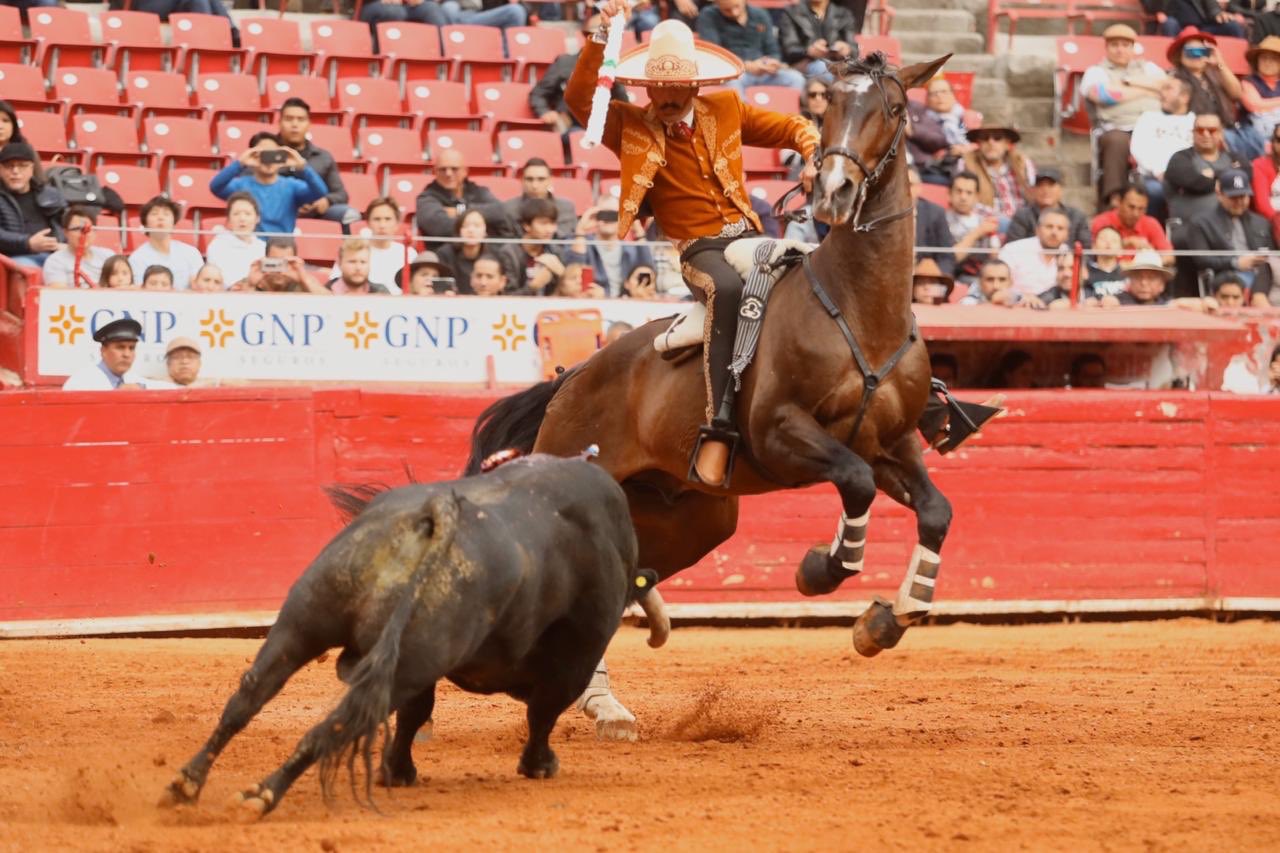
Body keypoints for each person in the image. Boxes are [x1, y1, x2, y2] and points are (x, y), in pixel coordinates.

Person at [567, 12, 821, 483]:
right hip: (698, 250)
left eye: (673, 87)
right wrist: (601, 38)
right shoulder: (628, 125)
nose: (661, 96)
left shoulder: (727, 109)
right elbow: (580, 98)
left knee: (813, 277)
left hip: (748, 236)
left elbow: (794, 127)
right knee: (725, 290)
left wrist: (814, 156)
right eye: (654, 87)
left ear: (694, 85)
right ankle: (720, 424)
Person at [1082, 24, 1166, 206]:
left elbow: (1168, 88)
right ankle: (1115, 198)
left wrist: (1128, 83)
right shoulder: (1096, 71)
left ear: (1133, 48)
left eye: (1125, 45)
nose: (1120, 50)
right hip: (1119, 127)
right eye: (1115, 45)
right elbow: (1103, 95)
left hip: (1155, 127)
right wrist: (1147, 90)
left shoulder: (1148, 67)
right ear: (1106, 48)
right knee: (1116, 140)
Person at [1166, 28, 1262, 160]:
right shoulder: (1175, 78)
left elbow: (1236, 93)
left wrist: (1220, 64)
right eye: (1190, 52)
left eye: (1201, 51)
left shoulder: (1215, 74)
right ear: (1180, 56)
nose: (1196, 55)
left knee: (1256, 136)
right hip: (1200, 132)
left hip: (1228, 128)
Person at [210, 131, 327, 236]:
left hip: (281, 249)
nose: (269, 161)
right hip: (249, 247)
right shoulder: (241, 186)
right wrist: (240, 164)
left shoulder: (292, 186)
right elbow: (215, 187)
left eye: (274, 154)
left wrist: (303, 167)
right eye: (264, 154)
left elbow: (320, 192)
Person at [529, 16, 629, 136]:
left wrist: (613, 76)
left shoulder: (611, 67)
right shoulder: (565, 62)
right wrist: (544, 112)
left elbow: (623, 106)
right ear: (587, 37)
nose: (603, 42)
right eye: (599, 38)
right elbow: (538, 93)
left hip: (602, 128)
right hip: (571, 126)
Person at [1184, 169, 1277, 297]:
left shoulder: (1261, 222)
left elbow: (1273, 254)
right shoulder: (1201, 223)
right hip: (1227, 277)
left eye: (1243, 196)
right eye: (1233, 197)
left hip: (1264, 276)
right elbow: (1202, 260)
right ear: (1219, 195)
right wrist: (1235, 263)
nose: (1239, 202)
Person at [277, 97, 359, 229]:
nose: (294, 124)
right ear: (279, 122)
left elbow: (341, 194)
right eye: (289, 119)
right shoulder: (267, 152)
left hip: (315, 212)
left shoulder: (323, 157)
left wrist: (326, 201)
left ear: (309, 124)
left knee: (350, 214)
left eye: (301, 119)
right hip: (276, 210)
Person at [697, 0, 807, 94]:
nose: (734, 13)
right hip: (734, 73)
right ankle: (743, 118)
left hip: (764, 69)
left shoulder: (760, 14)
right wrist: (745, 65)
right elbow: (714, 55)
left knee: (796, 79)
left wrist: (772, 62)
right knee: (732, 84)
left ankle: (791, 117)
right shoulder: (708, 16)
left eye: (736, 6)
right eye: (727, 10)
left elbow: (772, 48)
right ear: (717, 3)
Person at [1164, 112, 1245, 231]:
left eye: (1212, 130)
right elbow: (1193, 182)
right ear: (1193, 133)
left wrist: (1214, 175)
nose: (1206, 134)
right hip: (1190, 228)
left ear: (1221, 133)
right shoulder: (1180, 158)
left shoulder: (1235, 157)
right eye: (1200, 130)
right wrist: (1228, 177)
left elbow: (1246, 174)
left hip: (1232, 228)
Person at [1129, 76, 1196, 219]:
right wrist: (1159, 170)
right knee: (1154, 191)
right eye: (1162, 88)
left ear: (1184, 97)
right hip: (1155, 177)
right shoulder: (1149, 118)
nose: (1162, 93)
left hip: (1190, 177)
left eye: (1169, 88)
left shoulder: (1196, 121)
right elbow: (1138, 149)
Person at [498, 197, 587, 295]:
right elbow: (506, 296)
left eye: (552, 223)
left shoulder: (555, 251)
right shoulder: (509, 253)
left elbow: (565, 294)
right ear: (526, 225)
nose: (550, 230)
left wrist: (562, 275)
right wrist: (533, 287)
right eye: (543, 223)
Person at [415, 148, 507, 241]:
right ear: (435, 172)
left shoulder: (478, 191)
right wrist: (478, 225)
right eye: (443, 169)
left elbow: (500, 212)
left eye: (454, 169)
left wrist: (459, 210)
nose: (448, 173)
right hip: (445, 252)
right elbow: (439, 227)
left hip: (482, 251)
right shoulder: (426, 198)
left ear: (465, 171)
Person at [0, 141, 65, 270]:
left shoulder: (50, 194)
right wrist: (28, 243)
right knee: (29, 269)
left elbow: (67, 223)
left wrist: (65, 244)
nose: (15, 171)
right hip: (11, 260)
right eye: (9, 166)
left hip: (55, 255)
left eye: (22, 166)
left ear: (31, 169)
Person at [956, 121, 1035, 220]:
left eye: (997, 138)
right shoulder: (967, 163)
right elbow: (963, 200)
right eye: (985, 138)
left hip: (1023, 224)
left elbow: (1034, 196)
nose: (991, 142)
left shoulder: (1022, 163)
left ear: (1007, 143)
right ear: (979, 143)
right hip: (985, 225)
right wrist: (998, 220)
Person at [576, 199, 654, 297]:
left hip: (625, 303)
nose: (607, 220)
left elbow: (648, 269)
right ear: (595, 216)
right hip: (594, 300)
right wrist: (580, 230)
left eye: (613, 215)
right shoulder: (583, 243)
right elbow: (574, 268)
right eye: (603, 214)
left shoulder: (629, 248)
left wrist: (638, 231)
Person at [128, 196, 204, 289]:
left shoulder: (191, 253)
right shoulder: (137, 258)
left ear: (174, 222)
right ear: (145, 223)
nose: (160, 217)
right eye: (154, 213)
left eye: (166, 213)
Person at [1005, 167, 1091, 248]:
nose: (1045, 190)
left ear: (1061, 189)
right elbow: (1013, 248)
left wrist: (1072, 258)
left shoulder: (1076, 217)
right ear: (1033, 190)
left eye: (1051, 185)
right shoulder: (1022, 216)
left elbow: (1087, 250)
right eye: (1040, 186)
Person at [1098, 247, 1212, 308]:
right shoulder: (1119, 300)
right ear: (1130, 281)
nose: (1144, 283)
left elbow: (1179, 304)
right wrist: (1105, 302)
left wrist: (1204, 303)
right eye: (1138, 277)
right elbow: (1104, 302)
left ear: (1162, 285)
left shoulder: (1166, 303)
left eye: (1151, 278)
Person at [339, 197, 410, 293]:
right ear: (368, 223)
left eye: (387, 219)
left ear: (397, 223)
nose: (382, 225)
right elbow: (337, 284)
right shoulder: (355, 251)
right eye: (377, 219)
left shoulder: (409, 253)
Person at [1090, 183, 1174, 264]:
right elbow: (1091, 252)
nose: (1135, 213)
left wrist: (1152, 261)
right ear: (1119, 202)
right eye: (1131, 207)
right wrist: (1127, 242)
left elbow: (1170, 257)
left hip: (1143, 275)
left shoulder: (1151, 223)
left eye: (1141, 209)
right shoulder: (1101, 222)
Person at [998, 209, 1071, 299]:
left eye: (1060, 228)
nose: (1054, 232)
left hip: (1055, 308)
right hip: (1017, 307)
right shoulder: (1013, 250)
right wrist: (1021, 297)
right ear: (1037, 230)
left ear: (1067, 235)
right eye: (1049, 227)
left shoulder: (1070, 255)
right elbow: (998, 286)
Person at [61, 318, 150, 390]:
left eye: (132, 348)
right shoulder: (81, 381)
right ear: (103, 350)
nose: (127, 354)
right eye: (120, 347)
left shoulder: (133, 379)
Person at [778, 0, 858, 80]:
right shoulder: (791, 12)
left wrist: (846, 49)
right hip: (804, 63)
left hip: (837, 62)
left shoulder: (843, 14)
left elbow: (854, 49)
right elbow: (789, 48)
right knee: (822, 68)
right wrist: (808, 51)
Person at [945, 171, 1001, 285]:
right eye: (959, 191)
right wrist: (978, 233)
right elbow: (950, 259)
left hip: (984, 280)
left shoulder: (986, 221)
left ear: (977, 197)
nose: (963, 197)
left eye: (969, 193)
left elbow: (996, 260)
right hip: (952, 278)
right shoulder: (941, 221)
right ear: (949, 193)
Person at [502, 159, 578, 239]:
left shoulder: (565, 207)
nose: (535, 185)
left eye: (541, 179)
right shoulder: (509, 208)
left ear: (550, 181)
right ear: (522, 181)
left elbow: (566, 239)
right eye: (529, 179)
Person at [913, 77, 970, 184]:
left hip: (968, 166)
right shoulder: (921, 122)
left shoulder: (966, 118)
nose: (939, 96)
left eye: (944, 92)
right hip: (936, 171)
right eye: (934, 93)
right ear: (928, 99)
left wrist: (967, 149)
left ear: (953, 95)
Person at [41, 207, 114, 288]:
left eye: (88, 229)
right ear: (65, 232)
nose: (83, 234)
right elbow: (59, 295)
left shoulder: (108, 256)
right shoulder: (55, 261)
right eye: (77, 229)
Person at [204, 192, 265, 286]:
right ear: (228, 219)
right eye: (236, 214)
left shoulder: (263, 247)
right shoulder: (217, 246)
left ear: (257, 218)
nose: (242, 218)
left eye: (248, 214)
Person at [909, 166, 956, 278]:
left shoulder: (935, 213)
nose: (905, 189)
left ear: (919, 187)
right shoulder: (883, 215)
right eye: (900, 185)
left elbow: (947, 256)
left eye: (910, 184)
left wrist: (938, 275)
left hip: (927, 278)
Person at [235, 236, 326, 293]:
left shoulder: (305, 281)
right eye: (275, 262)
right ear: (265, 260)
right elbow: (230, 308)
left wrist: (304, 280)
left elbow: (331, 304)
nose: (279, 270)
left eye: (285, 263)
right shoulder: (251, 280)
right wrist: (250, 286)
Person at [1240, 37, 1280, 144]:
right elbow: (1255, 105)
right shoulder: (1248, 82)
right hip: (1253, 133)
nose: (1267, 62)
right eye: (1264, 58)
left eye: (1273, 59)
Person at [327, 238, 392, 295]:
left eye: (363, 262)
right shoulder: (324, 293)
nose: (358, 268)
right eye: (352, 262)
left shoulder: (382, 293)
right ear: (339, 263)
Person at [1084, 226, 1129, 300]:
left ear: (1121, 250)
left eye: (1114, 240)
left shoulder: (1127, 273)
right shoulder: (1085, 273)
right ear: (1094, 247)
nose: (1108, 242)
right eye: (1103, 239)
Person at [1249, 121, 1280, 223]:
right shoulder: (1260, 165)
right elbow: (1262, 206)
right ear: (1273, 143)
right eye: (1279, 140)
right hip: (1271, 224)